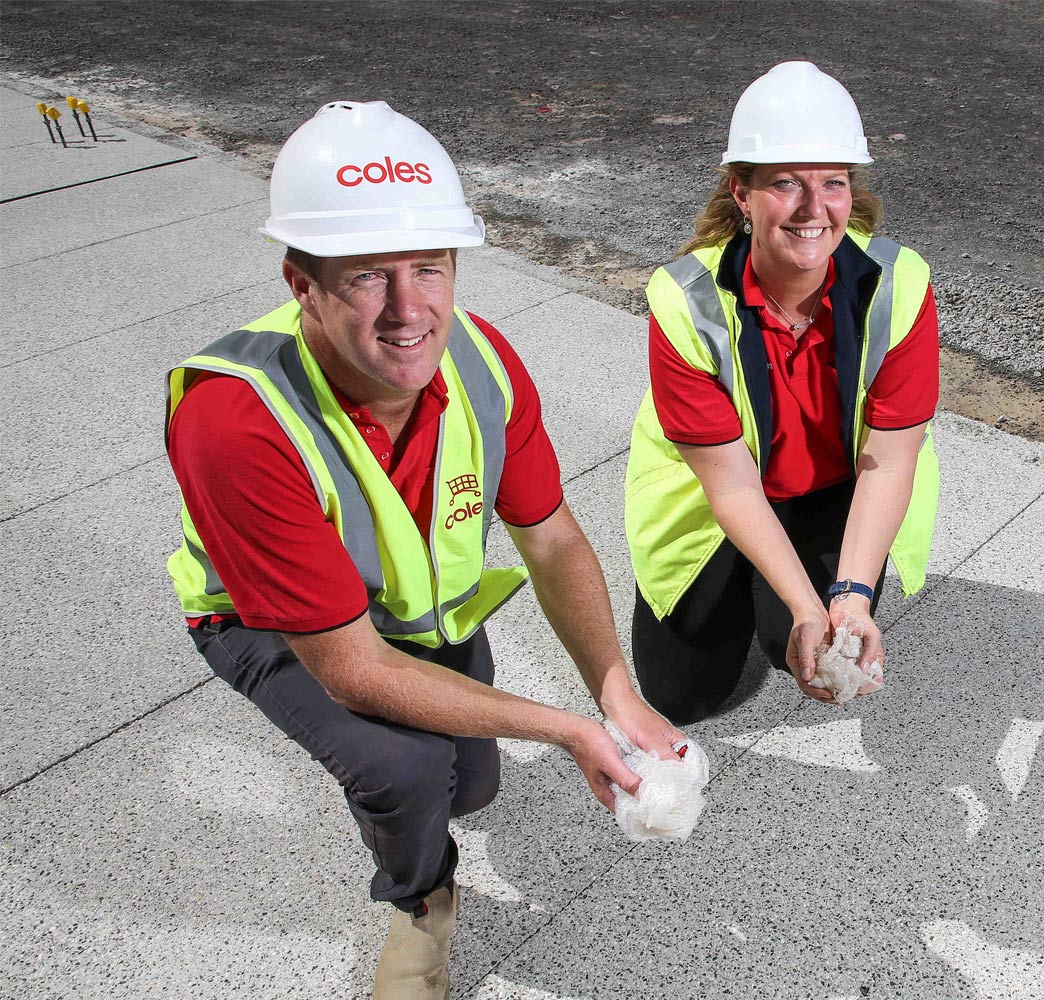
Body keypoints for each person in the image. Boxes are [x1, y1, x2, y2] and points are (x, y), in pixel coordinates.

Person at [164, 101, 684, 1000]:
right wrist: (567, 729)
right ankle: (419, 902)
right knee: (406, 771)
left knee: (470, 784)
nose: (411, 311)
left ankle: (420, 816)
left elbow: (553, 538)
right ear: (303, 283)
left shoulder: (483, 362)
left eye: (430, 268)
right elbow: (353, 667)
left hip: (412, 614)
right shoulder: (235, 420)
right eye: (368, 277)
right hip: (270, 625)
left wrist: (613, 690)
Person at [625, 62, 941, 724]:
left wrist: (848, 596)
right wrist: (803, 604)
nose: (812, 207)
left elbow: (891, 456)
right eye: (785, 184)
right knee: (680, 696)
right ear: (742, 194)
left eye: (832, 183)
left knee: (789, 646)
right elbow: (731, 485)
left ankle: (784, 583)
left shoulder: (898, 286)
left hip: (831, 489)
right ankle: (749, 575)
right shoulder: (685, 300)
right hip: (719, 496)